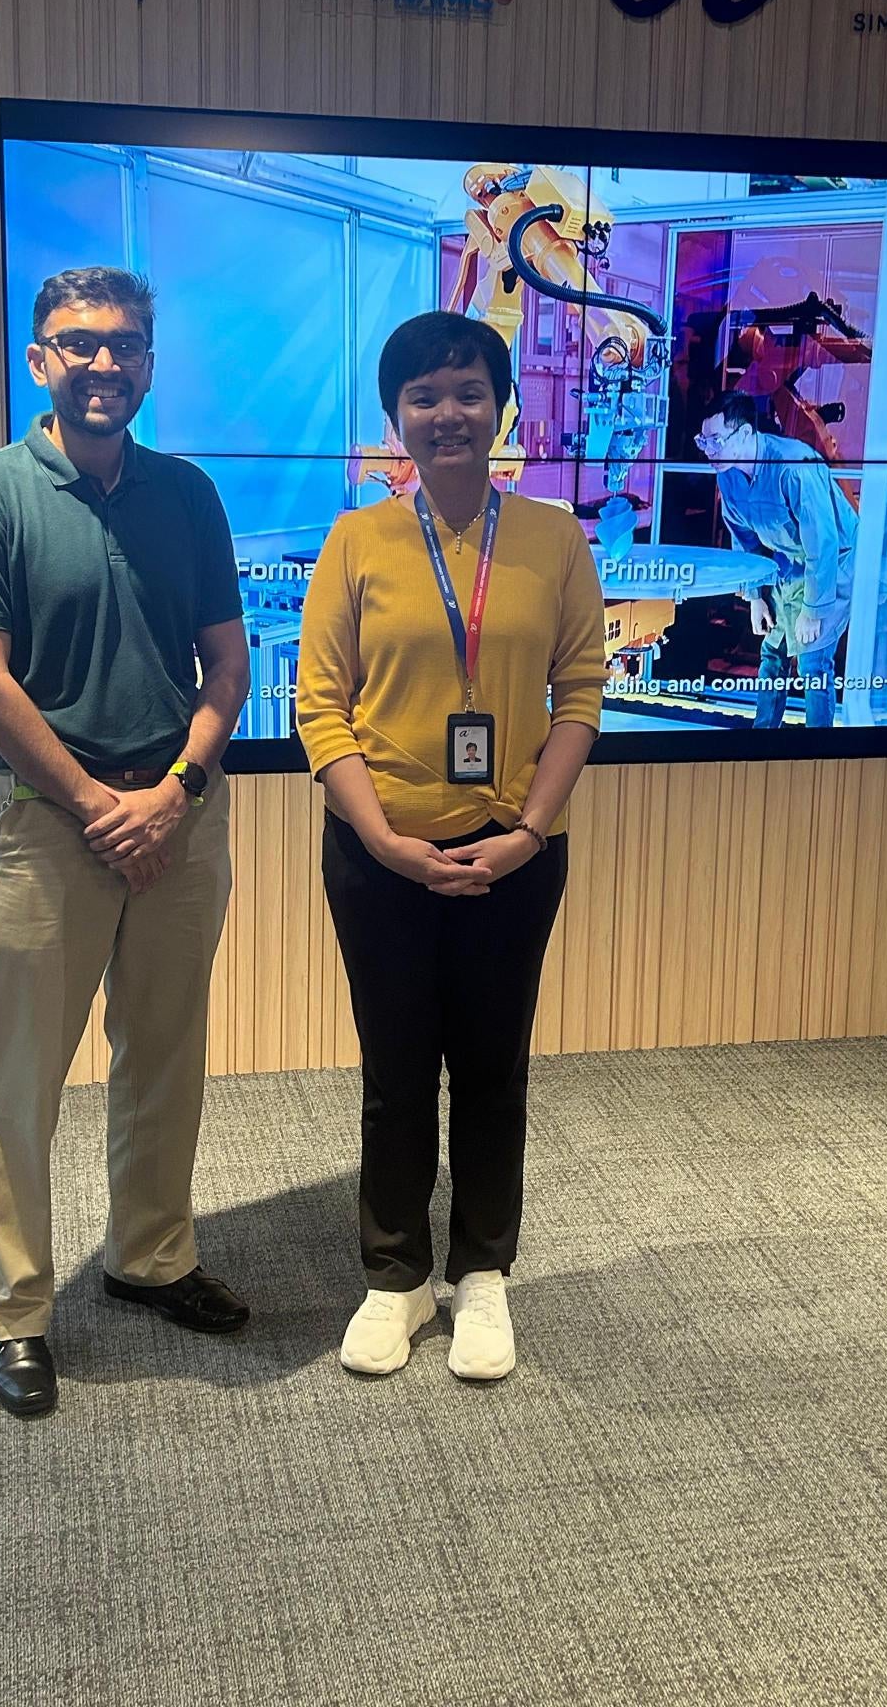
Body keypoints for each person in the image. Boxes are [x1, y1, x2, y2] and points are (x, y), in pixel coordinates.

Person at [0, 265, 252, 1419]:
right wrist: (96, 805)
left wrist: (173, 791)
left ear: (150, 364)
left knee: (164, 1056)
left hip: (178, 821)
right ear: (40, 360)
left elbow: (227, 665)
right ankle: (13, 1311)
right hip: (46, 832)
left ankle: (150, 1258)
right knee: (19, 1083)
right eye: (79, 343)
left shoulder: (189, 496)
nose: (103, 363)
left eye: (124, 345)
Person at [296, 310, 605, 1383]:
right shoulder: (355, 541)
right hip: (378, 854)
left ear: (502, 404)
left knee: (491, 1065)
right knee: (394, 1066)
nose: (448, 413)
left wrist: (525, 834)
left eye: (468, 391)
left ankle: (482, 1274)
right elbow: (320, 708)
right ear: (396, 420)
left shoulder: (556, 538)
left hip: (512, 855)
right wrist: (380, 837)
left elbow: (581, 697)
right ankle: (394, 1276)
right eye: (423, 397)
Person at [695, 390, 857, 729]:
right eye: (703, 441)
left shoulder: (793, 467)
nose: (709, 450)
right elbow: (745, 540)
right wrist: (755, 597)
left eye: (715, 441)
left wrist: (814, 609)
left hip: (834, 563)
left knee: (813, 660)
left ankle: (819, 749)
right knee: (772, 652)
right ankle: (764, 734)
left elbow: (823, 543)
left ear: (744, 434)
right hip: (788, 565)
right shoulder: (727, 474)